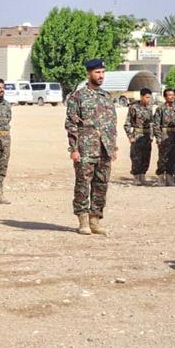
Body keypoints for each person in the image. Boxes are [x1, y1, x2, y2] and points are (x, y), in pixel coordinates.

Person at [65, 59, 117, 235]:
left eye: (103, 72)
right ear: (89, 74)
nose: (101, 76)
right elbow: (71, 124)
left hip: (105, 149)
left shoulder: (106, 96)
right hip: (85, 148)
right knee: (83, 184)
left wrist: (113, 147)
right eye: (97, 72)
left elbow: (112, 123)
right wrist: (74, 149)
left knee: (101, 184)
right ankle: (83, 220)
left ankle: (95, 220)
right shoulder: (77, 97)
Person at [123, 88, 154, 186]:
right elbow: (127, 123)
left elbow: (152, 122)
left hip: (147, 135)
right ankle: (136, 178)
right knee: (136, 157)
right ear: (141, 96)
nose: (148, 99)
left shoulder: (150, 107)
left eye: (149, 97)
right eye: (146, 97)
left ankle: (143, 177)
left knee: (146, 156)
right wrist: (130, 137)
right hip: (137, 134)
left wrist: (152, 135)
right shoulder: (134, 107)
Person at [153, 89, 175, 186]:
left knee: (173, 157)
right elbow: (156, 125)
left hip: (174, 135)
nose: (172, 97)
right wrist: (158, 138)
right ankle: (160, 177)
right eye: (169, 95)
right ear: (165, 97)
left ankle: (169, 179)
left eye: (173, 95)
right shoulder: (160, 109)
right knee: (163, 158)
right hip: (164, 135)